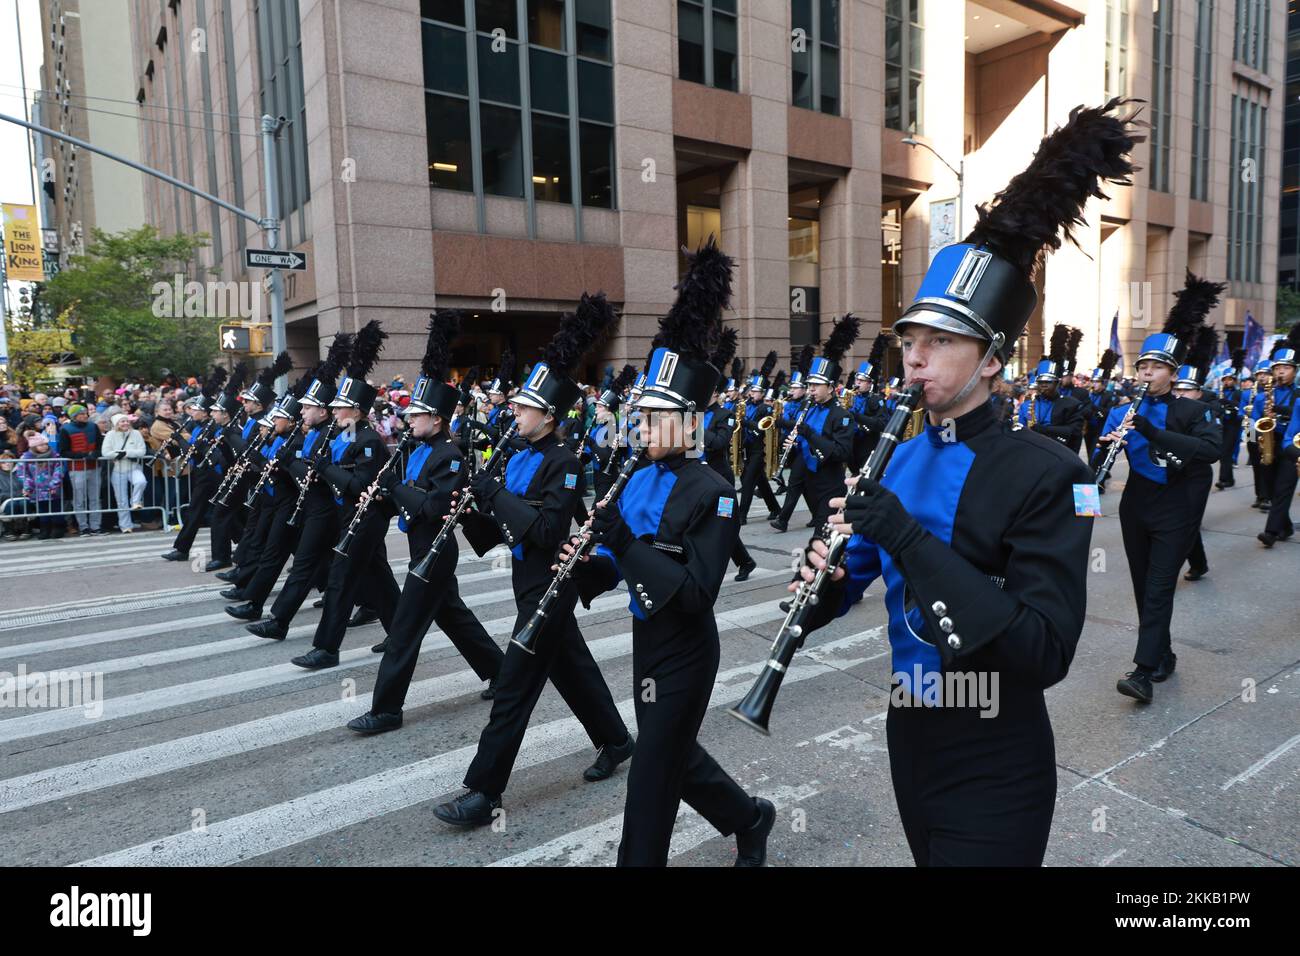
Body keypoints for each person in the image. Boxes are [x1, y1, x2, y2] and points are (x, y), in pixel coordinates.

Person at [792, 98, 1137, 866]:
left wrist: (905, 537)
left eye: (941, 341)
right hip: (910, 729)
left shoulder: (1056, 474)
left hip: (996, 752)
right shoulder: (899, 455)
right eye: (910, 339)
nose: (914, 358)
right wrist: (817, 584)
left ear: (990, 359)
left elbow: (1043, 651)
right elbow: (848, 587)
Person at [565, 252, 776, 866]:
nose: (639, 426)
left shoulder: (714, 491)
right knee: (674, 754)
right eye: (639, 415)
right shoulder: (634, 476)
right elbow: (621, 566)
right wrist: (585, 564)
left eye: (652, 418)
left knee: (652, 770)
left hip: (685, 647)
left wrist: (625, 543)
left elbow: (693, 593)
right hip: (645, 637)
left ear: (688, 423)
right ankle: (749, 817)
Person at [433, 293, 634, 827]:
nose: (513, 413)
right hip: (529, 579)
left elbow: (544, 529)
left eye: (523, 408)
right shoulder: (520, 457)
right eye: (516, 406)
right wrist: (472, 507)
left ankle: (483, 793)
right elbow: (504, 530)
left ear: (547, 415)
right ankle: (616, 740)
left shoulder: (564, 464)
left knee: (513, 690)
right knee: (573, 670)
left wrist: (492, 493)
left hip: (550, 582)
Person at [347, 311, 504, 732]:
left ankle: (386, 708)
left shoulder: (449, 456)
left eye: (417, 416)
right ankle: (501, 672)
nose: (408, 421)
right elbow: (406, 495)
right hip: (420, 543)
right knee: (454, 616)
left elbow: (433, 507)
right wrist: (380, 493)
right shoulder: (417, 450)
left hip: (435, 548)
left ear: (437, 419)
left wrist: (394, 490)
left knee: (404, 630)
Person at [1097, 273, 1226, 704]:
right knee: (1142, 586)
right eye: (1142, 366)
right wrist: (1103, 452)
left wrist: (1152, 432)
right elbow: (1107, 458)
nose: (1146, 373)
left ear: (1173, 373)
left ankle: (1143, 671)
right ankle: (1164, 653)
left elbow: (1210, 451)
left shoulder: (1194, 410)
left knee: (1157, 587)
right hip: (1138, 503)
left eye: (1155, 367)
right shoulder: (1121, 411)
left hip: (1178, 504)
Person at [291, 321, 403, 670]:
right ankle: (400, 633)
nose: (335, 412)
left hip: (365, 518)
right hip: (348, 517)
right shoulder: (343, 437)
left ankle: (327, 648)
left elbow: (359, 486)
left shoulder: (368, 441)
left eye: (340, 408)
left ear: (356, 410)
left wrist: (324, 468)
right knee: (379, 579)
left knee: (340, 580)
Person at [241, 338, 352, 640]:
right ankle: (383, 611)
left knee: (305, 564)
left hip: (328, 509)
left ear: (325, 411)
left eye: (308, 407)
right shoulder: (316, 433)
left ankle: (279, 620)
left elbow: (323, 474)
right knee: (367, 572)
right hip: (313, 508)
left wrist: (291, 462)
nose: (302, 411)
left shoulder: (333, 436)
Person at [790, 315, 859, 530]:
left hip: (830, 482)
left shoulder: (842, 415)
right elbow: (802, 440)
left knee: (824, 535)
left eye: (816, 385)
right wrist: (792, 442)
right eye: (809, 384)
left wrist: (809, 434)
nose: (810, 389)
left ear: (830, 387)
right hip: (809, 479)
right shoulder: (807, 408)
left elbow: (841, 453)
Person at [1171, 326, 1223, 582]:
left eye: (1187, 390)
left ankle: (1166, 571)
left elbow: (1212, 450)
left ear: (1199, 392)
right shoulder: (1169, 407)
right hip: (1172, 470)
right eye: (1177, 390)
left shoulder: (1207, 411)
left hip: (1196, 473)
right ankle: (1199, 563)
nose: (1180, 395)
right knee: (1183, 522)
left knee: (1186, 523)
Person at [1252, 329, 1298, 548]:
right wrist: (1254, 439)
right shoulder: (1263, 395)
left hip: (1292, 445)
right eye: (1277, 368)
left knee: (1283, 489)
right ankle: (1286, 526)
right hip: (1269, 442)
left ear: (1295, 371)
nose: (1281, 372)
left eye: (1286, 368)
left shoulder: (1298, 394)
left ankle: (1270, 532)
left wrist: (1278, 409)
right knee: (1269, 489)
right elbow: (1254, 420)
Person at [58, 403, 102, 535]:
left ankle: (96, 526)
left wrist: (95, 454)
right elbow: (64, 451)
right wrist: (83, 456)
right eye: (81, 414)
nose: (85, 415)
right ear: (74, 416)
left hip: (94, 467)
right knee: (79, 499)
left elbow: (100, 445)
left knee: (95, 498)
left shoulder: (93, 427)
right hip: (77, 469)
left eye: (85, 413)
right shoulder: (66, 429)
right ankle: (83, 527)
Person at [101, 413, 149, 533]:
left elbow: (142, 451)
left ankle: (136, 501)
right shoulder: (110, 435)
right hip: (117, 470)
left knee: (141, 481)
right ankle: (125, 525)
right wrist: (119, 454)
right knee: (121, 500)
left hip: (133, 467)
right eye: (122, 422)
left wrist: (126, 453)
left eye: (127, 421)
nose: (125, 423)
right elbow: (106, 452)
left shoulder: (136, 433)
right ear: (116, 424)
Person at [17, 431, 66, 538]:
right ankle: (44, 529)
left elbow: (59, 470)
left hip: (52, 488)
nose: (44, 447)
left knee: (55, 508)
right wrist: (28, 486)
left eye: (45, 444)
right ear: (34, 447)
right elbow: (22, 473)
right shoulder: (26, 458)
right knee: (42, 509)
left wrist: (54, 484)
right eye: (40, 445)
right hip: (36, 489)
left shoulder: (55, 455)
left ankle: (58, 528)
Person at [1214, 352, 1245, 489]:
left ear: (1235, 380)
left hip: (1233, 425)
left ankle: (1224, 479)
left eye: (1230, 379)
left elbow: (1239, 407)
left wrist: (1227, 402)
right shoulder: (1220, 392)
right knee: (1223, 453)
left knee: (1226, 452)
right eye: (1225, 379)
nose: (1227, 382)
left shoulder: (1238, 393)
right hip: (1222, 425)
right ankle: (1229, 479)